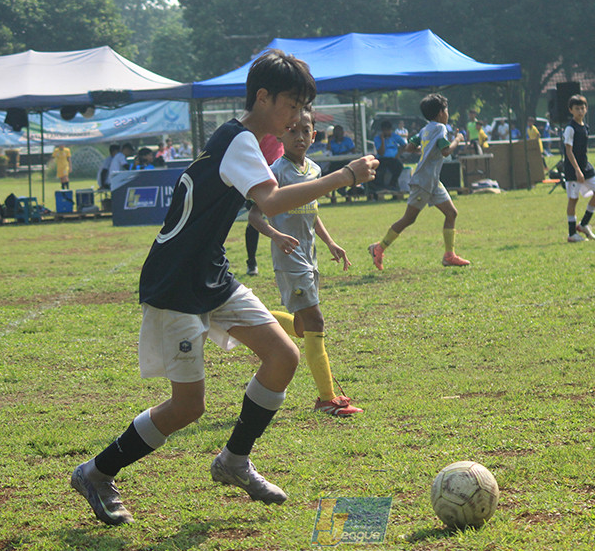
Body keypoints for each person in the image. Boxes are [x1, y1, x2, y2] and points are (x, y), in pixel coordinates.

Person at [69, 50, 378, 525]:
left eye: (303, 109)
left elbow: (260, 202)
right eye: (292, 105)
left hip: (211, 273)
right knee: (188, 407)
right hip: (176, 281)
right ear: (263, 96)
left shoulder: (246, 139)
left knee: (283, 357)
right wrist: (345, 175)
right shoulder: (239, 142)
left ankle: (234, 461)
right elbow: (271, 203)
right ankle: (96, 471)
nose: (298, 117)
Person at [247, 106, 364, 417]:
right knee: (315, 323)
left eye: (305, 130)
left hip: (310, 260)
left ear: (314, 135)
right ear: (281, 134)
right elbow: (254, 215)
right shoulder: (275, 171)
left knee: (302, 326)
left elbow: (311, 212)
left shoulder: (313, 170)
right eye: (292, 130)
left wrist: (330, 242)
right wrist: (277, 236)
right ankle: (327, 398)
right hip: (290, 262)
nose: (299, 136)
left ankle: (245, 317)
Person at [367, 93, 470, 270]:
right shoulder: (440, 128)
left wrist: (427, 151)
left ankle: (449, 255)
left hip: (432, 180)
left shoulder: (425, 129)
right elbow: (446, 151)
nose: (447, 114)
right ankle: (379, 247)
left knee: (451, 213)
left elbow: (410, 147)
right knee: (408, 219)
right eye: (446, 110)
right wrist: (458, 140)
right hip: (424, 180)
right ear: (440, 113)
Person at [562, 95, 595, 243]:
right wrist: (577, 170)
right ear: (571, 110)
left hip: (586, 166)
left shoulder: (585, 127)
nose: (580, 111)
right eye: (577, 109)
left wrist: (583, 168)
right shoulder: (570, 128)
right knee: (573, 199)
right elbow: (568, 151)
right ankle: (572, 234)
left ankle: (584, 224)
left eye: (582, 108)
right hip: (573, 169)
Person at [244, 134, 285, 276]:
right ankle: (251, 262)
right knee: (255, 217)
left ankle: (289, 260)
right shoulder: (259, 123)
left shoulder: (283, 121)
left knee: (287, 218)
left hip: (280, 172)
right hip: (259, 173)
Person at [372, 120, 407, 192]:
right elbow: (381, 152)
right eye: (385, 130)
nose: (387, 132)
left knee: (399, 166)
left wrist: (398, 155)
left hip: (393, 158)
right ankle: (380, 187)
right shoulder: (377, 139)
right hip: (382, 158)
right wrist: (382, 140)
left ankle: (392, 184)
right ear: (382, 130)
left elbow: (404, 145)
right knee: (379, 170)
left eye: (388, 130)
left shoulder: (395, 136)